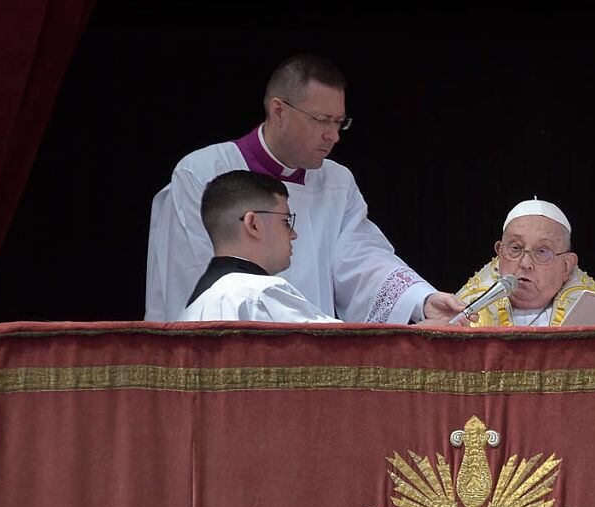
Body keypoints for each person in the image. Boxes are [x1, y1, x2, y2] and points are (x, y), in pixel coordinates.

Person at [146, 53, 465, 324]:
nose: (333, 136)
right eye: (321, 120)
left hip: (311, 359)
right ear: (279, 111)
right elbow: (197, 282)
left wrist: (420, 301)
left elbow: (362, 259)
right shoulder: (203, 172)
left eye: (339, 122)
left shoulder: (337, 182)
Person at [180, 170, 340, 322]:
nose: (294, 234)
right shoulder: (258, 293)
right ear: (253, 224)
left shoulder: (190, 311)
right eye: (286, 222)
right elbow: (346, 345)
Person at [454, 198, 595, 326]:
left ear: (567, 266)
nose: (525, 263)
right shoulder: (464, 315)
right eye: (515, 248)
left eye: (541, 251)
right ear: (500, 253)